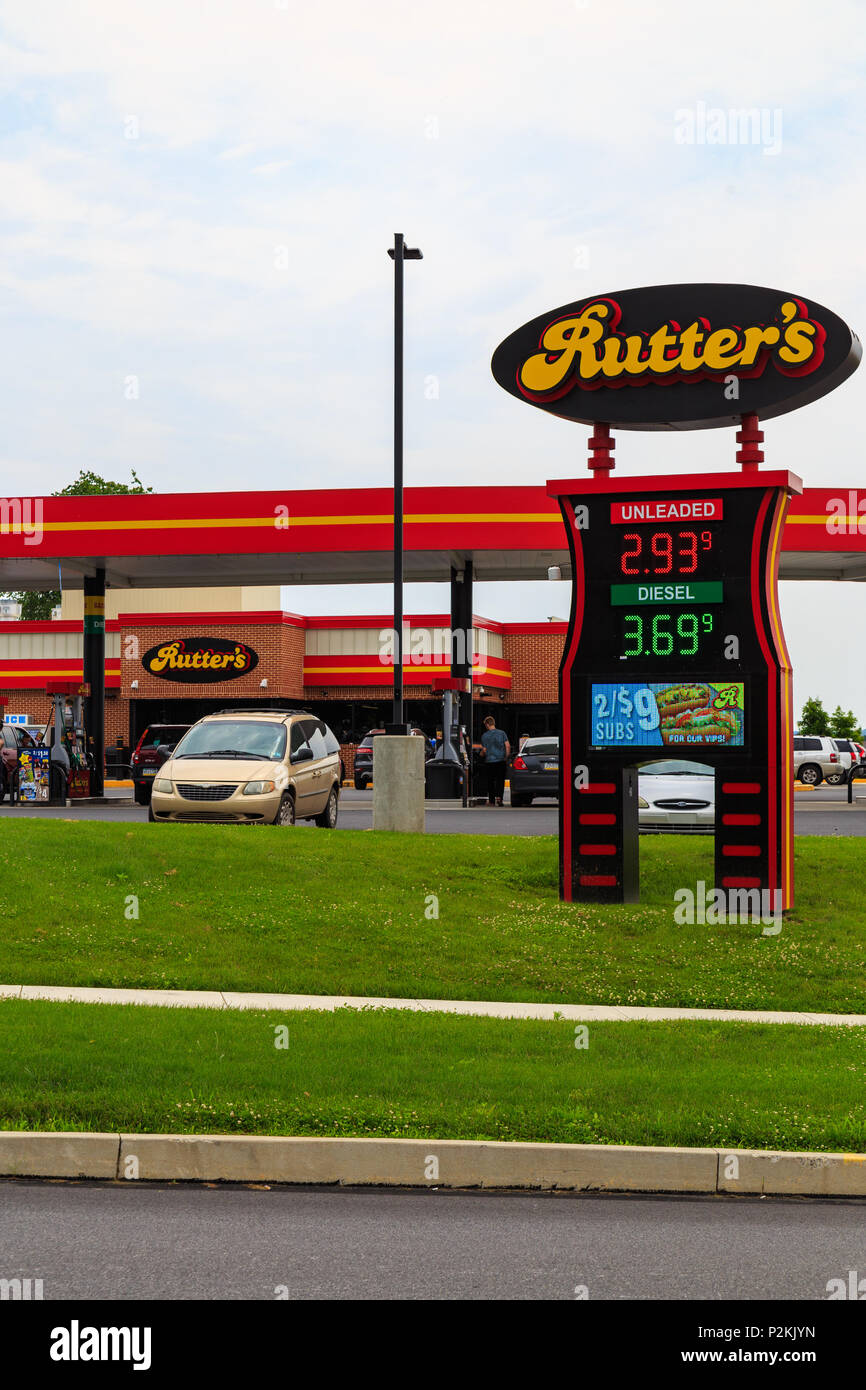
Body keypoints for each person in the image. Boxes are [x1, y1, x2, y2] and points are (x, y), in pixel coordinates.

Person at [480, 715, 510, 806]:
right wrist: (506, 757)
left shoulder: (484, 736)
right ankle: (499, 799)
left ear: (487, 724)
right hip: (501, 761)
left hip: (489, 762)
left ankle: (492, 801)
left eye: (485, 725)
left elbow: (484, 751)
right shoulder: (502, 733)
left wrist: (481, 754)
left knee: (490, 781)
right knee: (500, 780)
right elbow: (507, 746)